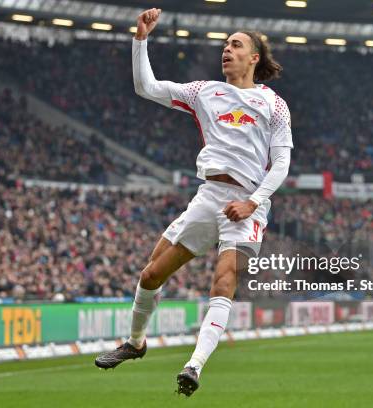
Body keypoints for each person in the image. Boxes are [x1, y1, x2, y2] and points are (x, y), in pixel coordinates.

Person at [95, 8, 293, 397]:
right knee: (150, 276)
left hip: (247, 203)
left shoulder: (274, 104)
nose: (226, 50)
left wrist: (253, 202)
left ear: (254, 57)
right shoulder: (205, 91)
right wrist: (141, 39)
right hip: (209, 198)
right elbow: (146, 87)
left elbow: (283, 162)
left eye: (235, 45)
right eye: (224, 45)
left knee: (224, 279)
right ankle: (135, 343)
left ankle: (194, 365)